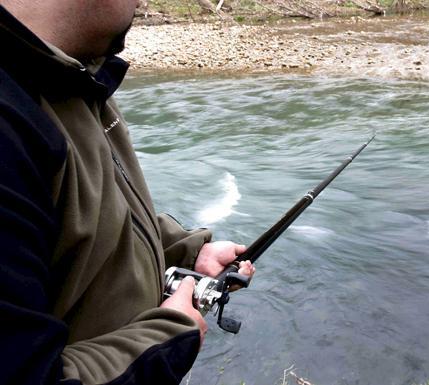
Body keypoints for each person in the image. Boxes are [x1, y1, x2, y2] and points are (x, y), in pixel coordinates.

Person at [0, 1, 255, 384]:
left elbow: (86, 211)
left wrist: (185, 248)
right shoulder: (10, 120)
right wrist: (169, 336)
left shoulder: (70, 77)